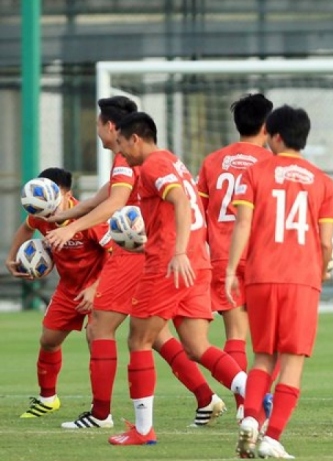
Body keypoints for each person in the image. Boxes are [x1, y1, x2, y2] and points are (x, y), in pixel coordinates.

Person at [44, 96, 226, 429]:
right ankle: (207, 397)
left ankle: (102, 415)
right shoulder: (131, 159)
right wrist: (65, 214)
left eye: (98, 123)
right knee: (158, 335)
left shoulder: (133, 159)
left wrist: (70, 228)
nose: (96, 130)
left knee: (102, 326)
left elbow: (115, 204)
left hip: (138, 252)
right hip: (158, 250)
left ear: (112, 127)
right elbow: (108, 194)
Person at [108, 112, 247, 446]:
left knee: (138, 341)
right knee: (198, 346)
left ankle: (143, 430)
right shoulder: (174, 162)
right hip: (197, 266)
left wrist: (177, 251)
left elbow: (181, 202)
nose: (121, 152)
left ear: (136, 138)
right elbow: (176, 210)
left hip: (169, 267)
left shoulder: (154, 165)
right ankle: (253, 393)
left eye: (122, 144)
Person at [227, 105, 333, 459]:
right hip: (301, 278)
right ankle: (272, 437)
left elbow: (242, 224)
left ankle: (249, 418)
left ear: (275, 137)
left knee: (262, 357)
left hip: (261, 276)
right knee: (292, 361)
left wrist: (231, 270)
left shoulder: (256, 173)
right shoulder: (322, 181)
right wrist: (320, 271)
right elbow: (324, 242)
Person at [5, 168, 107, 420]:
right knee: (49, 340)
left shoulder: (89, 217)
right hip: (68, 288)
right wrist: (11, 256)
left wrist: (95, 288)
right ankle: (48, 399)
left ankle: (100, 411)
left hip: (99, 287)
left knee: (96, 341)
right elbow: (26, 228)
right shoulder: (41, 212)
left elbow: (115, 253)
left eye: (54, 196)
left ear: (67, 194)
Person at [197, 94, 274, 414]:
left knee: (235, 334)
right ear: (267, 127)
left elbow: (198, 214)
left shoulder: (213, 161)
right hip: (261, 257)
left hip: (222, 257)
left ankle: (245, 404)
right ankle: (256, 401)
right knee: (268, 339)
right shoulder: (271, 164)